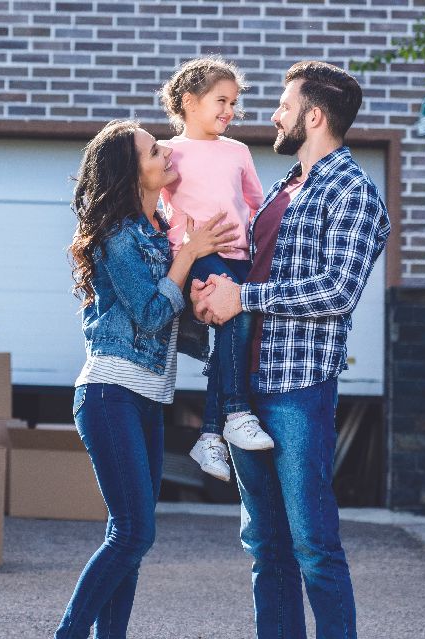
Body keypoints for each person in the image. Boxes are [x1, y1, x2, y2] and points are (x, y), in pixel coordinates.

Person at [192, 61, 390, 639]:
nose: (270, 115)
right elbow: (247, 272)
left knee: (312, 542)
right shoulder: (282, 187)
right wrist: (214, 295)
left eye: (281, 105)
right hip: (246, 388)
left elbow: (335, 293)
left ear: (313, 115)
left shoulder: (353, 192)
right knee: (264, 543)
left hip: (297, 388)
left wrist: (243, 296)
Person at [30, 119, 238, 639]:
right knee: (132, 532)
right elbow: (149, 314)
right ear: (131, 171)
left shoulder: (155, 231)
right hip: (110, 393)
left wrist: (211, 299)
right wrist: (190, 257)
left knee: (132, 535)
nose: (167, 152)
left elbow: (173, 323)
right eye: (154, 149)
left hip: (146, 395)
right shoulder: (117, 235)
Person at [158, 57, 273, 484]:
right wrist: (179, 253)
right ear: (189, 102)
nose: (229, 110)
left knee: (234, 334)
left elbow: (255, 205)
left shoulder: (238, 152)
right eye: (220, 100)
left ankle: (210, 434)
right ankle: (237, 413)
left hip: (238, 256)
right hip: (198, 254)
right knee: (234, 325)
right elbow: (154, 203)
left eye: (234, 102)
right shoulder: (169, 152)